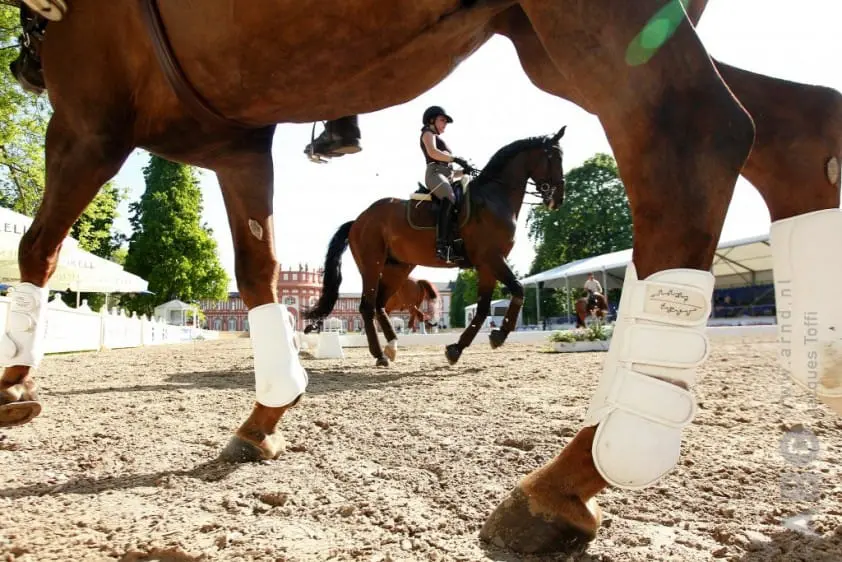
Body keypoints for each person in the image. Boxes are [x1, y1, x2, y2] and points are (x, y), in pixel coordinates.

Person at [418, 105, 473, 263]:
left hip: (446, 175)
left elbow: (450, 172)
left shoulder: (439, 138)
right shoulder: (427, 133)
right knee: (449, 196)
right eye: (442, 120)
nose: (445, 124)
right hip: (434, 174)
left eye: (445, 122)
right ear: (431, 120)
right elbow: (433, 153)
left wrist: (464, 171)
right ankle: (441, 246)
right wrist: (456, 159)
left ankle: (456, 241)